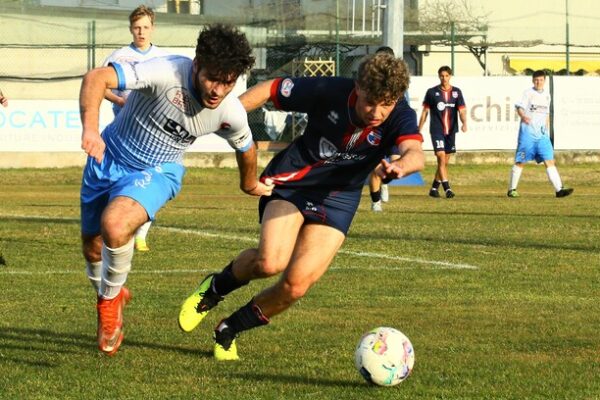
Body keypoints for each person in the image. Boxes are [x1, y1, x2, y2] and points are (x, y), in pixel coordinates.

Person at [178, 52, 425, 361]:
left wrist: (402, 166)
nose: (377, 112)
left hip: (339, 197)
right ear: (358, 88)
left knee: (296, 286)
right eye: (370, 102)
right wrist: (228, 114)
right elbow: (272, 89)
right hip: (293, 182)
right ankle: (214, 289)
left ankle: (229, 328)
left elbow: (416, 151)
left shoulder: (400, 114)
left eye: (386, 104)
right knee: (270, 262)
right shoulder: (331, 91)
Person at [79, 23, 273, 356]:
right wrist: (91, 129)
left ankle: (108, 305)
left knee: (115, 225)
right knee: (93, 249)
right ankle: (113, 293)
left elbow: (246, 147)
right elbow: (97, 79)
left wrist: (249, 183)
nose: (218, 89)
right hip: (108, 156)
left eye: (228, 82)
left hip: (158, 171)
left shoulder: (230, 112)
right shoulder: (166, 70)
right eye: (213, 77)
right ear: (196, 64)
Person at [102, 5, 171, 252]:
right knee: (120, 184)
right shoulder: (118, 56)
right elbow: (101, 86)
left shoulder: (163, 59)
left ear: (153, 28)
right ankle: (115, 228)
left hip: (154, 134)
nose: (141, 32)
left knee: (151, 184)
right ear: (131, 29)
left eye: (145, 27)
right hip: (123, 134)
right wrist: (120, 100)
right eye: (136, 27)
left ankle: (141, 234)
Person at [507, 70, 573, 198]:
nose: (539, 82)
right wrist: (523, 116)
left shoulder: (547, 95)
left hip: (542, 136)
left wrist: (546, 130)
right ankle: (512, 189)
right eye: (536, 80)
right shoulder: (528, 93)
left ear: (544, 81)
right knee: (521, 161)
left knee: (549, 161)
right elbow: (519, 107)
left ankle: (559, 190)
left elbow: (546, 114)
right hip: (528, 135)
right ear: (533, 81)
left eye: (541, 80)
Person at [418, 65, 467, 199]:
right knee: (440, 157)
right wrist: (418, 130)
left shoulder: (457, 92)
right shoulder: (432, 92)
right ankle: (447, 189)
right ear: (438, 76)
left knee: (444, 162)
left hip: (451, 131)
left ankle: (434, 188)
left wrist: (464, 123)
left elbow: (462, 110)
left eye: (446, 76)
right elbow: (425, 112)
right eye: (442, 76)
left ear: (450, 76)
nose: (444, 78)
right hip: (437, 130)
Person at [368, 46, 403, 212]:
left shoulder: (399, 84)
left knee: (395, 164)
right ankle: (376, 203)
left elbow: (403, 108)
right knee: (375, 167)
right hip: (376, 129)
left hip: (392, 130)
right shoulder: (369, 82)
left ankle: (385, 184)